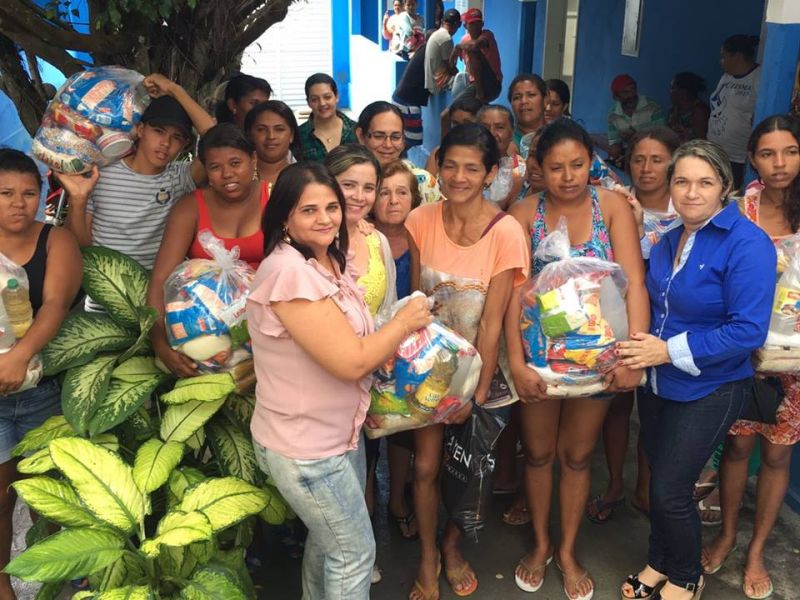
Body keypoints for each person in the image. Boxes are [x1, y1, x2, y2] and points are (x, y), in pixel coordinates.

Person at [247, 162, 432, 600]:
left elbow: (349, 338)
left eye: (331, 206)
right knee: (354, 553)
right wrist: (403, 323)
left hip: (336, 436)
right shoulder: (290, 273)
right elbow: (350, 362)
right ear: (285, 218)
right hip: (306, 447)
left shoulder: (325, 259)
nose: (326, 218)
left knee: (328, 545)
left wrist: (381, 351)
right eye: (309, 210)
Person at [617, 140, 776, 600]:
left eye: (704, 182)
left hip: (712, 385)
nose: (691, 192)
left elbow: (747, 331)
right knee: (656, 478)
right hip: (658, 383)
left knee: (670, 488)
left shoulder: (748, 244)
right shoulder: (669, 239)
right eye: (682, 182)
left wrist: (667, 351)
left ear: (725, 187)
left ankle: (686, 574)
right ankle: (657, 562)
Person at [506, 118, 648, 600]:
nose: (568, 176)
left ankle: (567, 550)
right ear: (539, 169)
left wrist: (634, 355)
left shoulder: (611, 207)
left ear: (593, 162)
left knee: (577, 455)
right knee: (540, 453)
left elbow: (634, 282)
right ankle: (540, 543)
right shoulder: (524, 214)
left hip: (599, 360)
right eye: (556, 167)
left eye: (578, 165)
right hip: (541, 360)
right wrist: (517, 364)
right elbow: (508, 294)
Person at [406, 122, 530, 599]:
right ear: (436, 165)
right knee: (425, 467)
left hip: (481, 373)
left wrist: (474, 396)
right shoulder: (421, 220)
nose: (458, 176)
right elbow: (419, 303)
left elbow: (493, 323)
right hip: (428, 367)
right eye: (450, 165)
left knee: (468, 471)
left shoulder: (506, 232)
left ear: (490, 174)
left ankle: (453, 546)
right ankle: (427, 557)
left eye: (471, 168)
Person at [701, 115, 800, 600]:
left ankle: (758, 549)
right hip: (745, 350)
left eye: (790, 151)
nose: (780, 164)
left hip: (798, 358)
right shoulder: (743, 210)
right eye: (768, 153)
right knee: (738, 446)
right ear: (753, 158)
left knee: (778, 453)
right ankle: (727, 534)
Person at [586, 127, 681, 524]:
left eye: (657, 159)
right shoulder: (616, 205)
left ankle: (645, 486)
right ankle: (614, 484)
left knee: (657, 412)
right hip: (624, 319)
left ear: (673, 163)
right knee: (617, 406)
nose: (646, 168)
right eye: (639, 159)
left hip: (673, 326)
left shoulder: (686, 211)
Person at [0, 149, 82, 599]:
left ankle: (58, 579)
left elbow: (54, 304)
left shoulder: (56, 241)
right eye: (6, 193)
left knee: (48, 498)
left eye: (29, 192)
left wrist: (20, 355)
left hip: (42, 391)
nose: (19, 202)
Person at [57, 73, 214, 271]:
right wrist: (78, 201)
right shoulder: (100, 173)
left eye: (177, 137)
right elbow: (80, 248)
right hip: (105, 294)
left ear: (183, 145)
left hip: (155, 294)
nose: (166, 143)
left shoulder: (179, 177)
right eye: (158, 131)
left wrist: (175, 90)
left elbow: (216, 141)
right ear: (140, 130)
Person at [147, 124, 268, 377]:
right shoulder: (190, 207)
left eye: (236, 163)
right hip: (202, 335)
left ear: (254, 159)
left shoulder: (275, 198)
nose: (227, 174)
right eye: (215, 167)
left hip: (271, 330)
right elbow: (161, 278)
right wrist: (160, 342)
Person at [356, 101, 441, 204]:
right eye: (379, 136)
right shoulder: (348, 180)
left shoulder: (423, 183)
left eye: (395, 137)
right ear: (361, 136)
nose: (388, 145)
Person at [708, 35, 761, 190]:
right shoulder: (726, 77)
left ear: (736, 56)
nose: (721, 61)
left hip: (737, 158)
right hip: (716, 151)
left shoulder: (757, 78)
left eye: (723, 56)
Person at [374, 159, 422, 299]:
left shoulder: (423, 239)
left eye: (402, 192)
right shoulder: (360, 237)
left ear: (413, 198)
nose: (393, 200)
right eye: (384, 193)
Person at [607, 74, 665, 166]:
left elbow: (661, 138)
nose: (631, 95)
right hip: (628, 156)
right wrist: (614, 149)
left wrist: (635, 137)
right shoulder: (613, 115)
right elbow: (614, 142)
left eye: (632, 89)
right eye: (625, 92)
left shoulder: (652, 107)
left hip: (652, 154)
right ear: (616, 97)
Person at [299, 73, 358, 162]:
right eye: (315, 99)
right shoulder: (300, 135)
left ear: (336, 96)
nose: (322, 103)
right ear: (308, 102)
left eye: (327, 97)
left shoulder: (356, 130)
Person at [448, 8, 502, 104]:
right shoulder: (465, 40)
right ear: (465, 26)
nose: (475, 27)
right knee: (450, 112)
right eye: (472, 24)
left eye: (478, 23)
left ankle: (480, 96)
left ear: (482, 24)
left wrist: (458, 47)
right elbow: (467, 64)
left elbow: (474, 46)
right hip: (474, 83)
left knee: (472, 50)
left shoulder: (487, 35)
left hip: (492, 83)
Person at [245, 100, 303, 189]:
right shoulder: (240, 178)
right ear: (250, 135)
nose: (271, 136)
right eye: (261, 129)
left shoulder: (304, 178)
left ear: (291, 135)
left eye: (279, 129)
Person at [478, 104, 525, 210]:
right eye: (485, 128)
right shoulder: (464, 164)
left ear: (512, 132)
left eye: (500, 127)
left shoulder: (518, 168)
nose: (491, 133)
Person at [425, 95, 482, 176]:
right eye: (455, 123)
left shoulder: (486, 154)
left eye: (467, 123)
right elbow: (426, 185)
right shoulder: (439, 154)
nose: (461, 128)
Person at [392, 39, 430, 149]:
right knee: (411, 139)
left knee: (409, 138)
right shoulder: (428, 53)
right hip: (407, 101)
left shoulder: (422, 50)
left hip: (403, 98)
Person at [424, 9, 461, 97]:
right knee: (469, 83)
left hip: (432, 82)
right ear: (459, 25)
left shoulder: (436, 34)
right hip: (439, 85)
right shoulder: (446, 38)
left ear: (442, 21)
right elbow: (450, 67)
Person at [668, 72, 710, 143]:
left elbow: (703, 143)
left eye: (672, 88)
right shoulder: (674, 110)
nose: (670, 92)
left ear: (683, 92)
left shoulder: (700, 112)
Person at [509, 74, 547, 149]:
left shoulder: (559, 137)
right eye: (517, 97)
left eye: (531, 95)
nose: (524, 101)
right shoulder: (505, 141)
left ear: (545, 100)